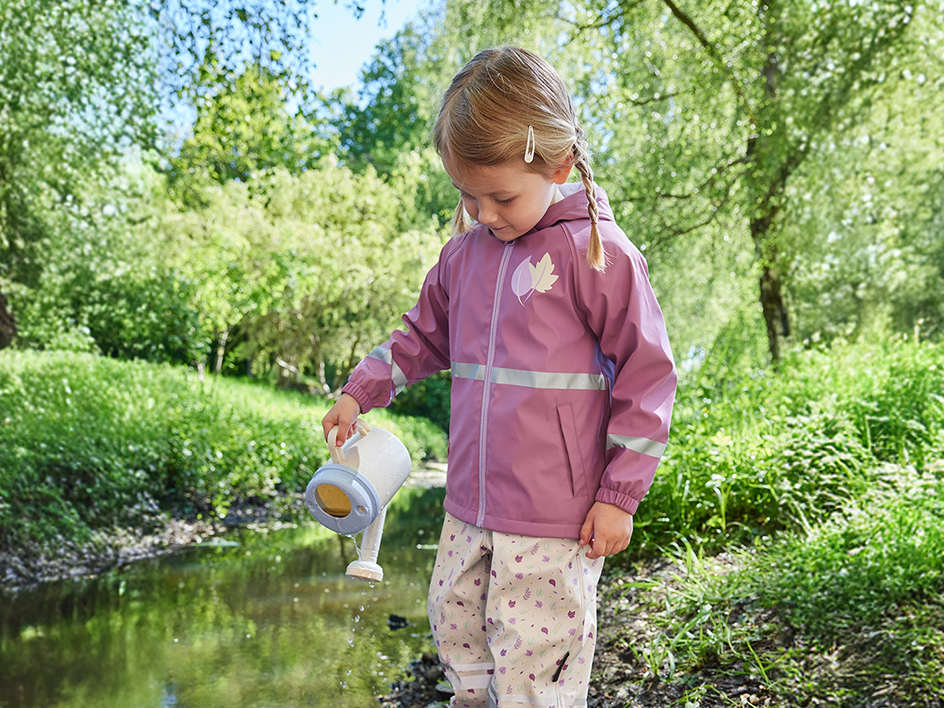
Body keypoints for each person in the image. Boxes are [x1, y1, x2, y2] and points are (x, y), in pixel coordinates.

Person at [322, 45, 677, 708]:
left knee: (535, 666)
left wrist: (620, 494)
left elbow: (648, 374)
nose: (484, 213)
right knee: (459, 632)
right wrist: (359, 389)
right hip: (469, 506)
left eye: (501, 195)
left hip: (555, 516)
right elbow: (420, 336)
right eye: (467, 195)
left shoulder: (596, 253)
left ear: (560, 165)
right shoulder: (465, 255)